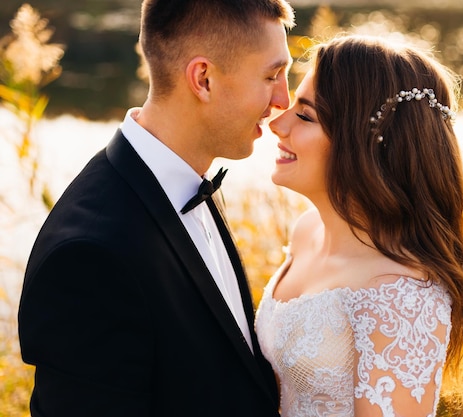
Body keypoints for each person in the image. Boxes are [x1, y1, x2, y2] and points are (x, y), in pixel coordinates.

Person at [18, 0, 294, 416]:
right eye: (272, 75)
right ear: (203, 79)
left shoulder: (187, 181)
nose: (283, 100)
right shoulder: (89, 257)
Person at [255, 34, 463, 417]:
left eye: (306, 115)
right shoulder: (306, 232)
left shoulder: (403, 294)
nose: (278, 124)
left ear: (364, 145)